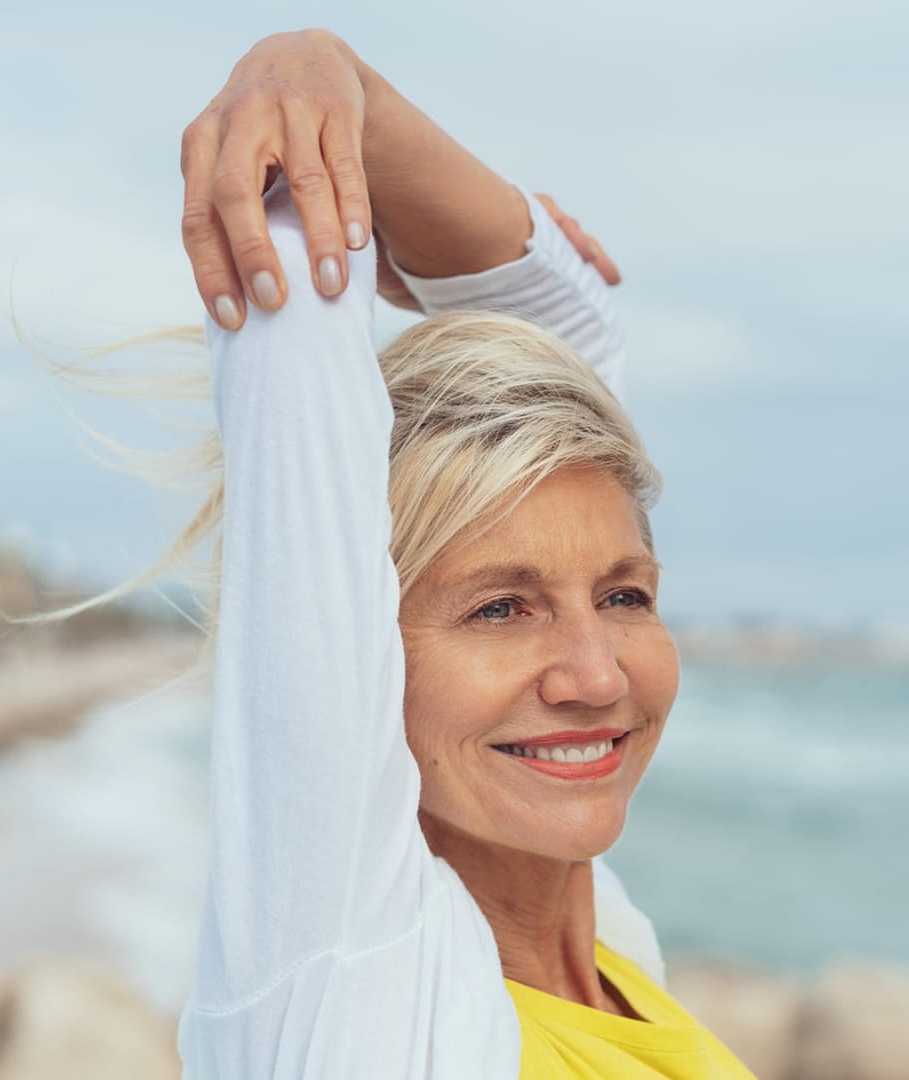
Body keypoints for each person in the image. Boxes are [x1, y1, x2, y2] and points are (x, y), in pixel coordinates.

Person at [158, 27, 756, 1079]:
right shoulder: (362, 996)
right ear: (362, 652)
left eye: (623, 594)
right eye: (499, 608)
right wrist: (313, 74)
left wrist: (355, 99)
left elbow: (566, 320)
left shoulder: (612, 951)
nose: (596, 675)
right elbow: (288, 276)